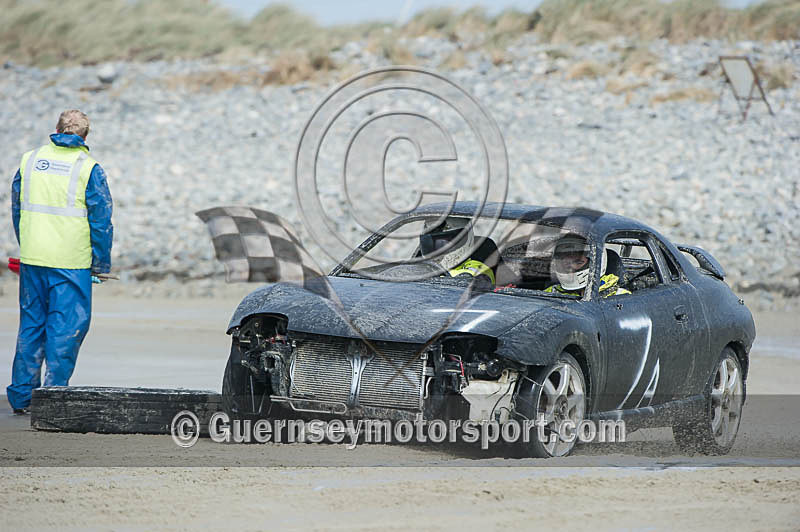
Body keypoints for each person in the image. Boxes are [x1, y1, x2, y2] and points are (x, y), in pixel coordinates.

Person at [7, 110, 113, 414]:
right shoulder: (88, 168)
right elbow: (102, 222)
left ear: (56, 129)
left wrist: (28, 243)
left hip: (33, 258)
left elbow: (18, 210)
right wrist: (100, 264)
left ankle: (22, 397)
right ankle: (53, 395)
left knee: (31, 325)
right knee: (66, 329)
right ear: (85, 136)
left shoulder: (30, 160)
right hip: (70, 262)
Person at [545, 234, 629, 297]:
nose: (569, 266)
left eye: (578, 262)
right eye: (565, 262)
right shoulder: (551, 292)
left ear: (596, 261)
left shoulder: (620, 297)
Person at [419, 217, 496, 286]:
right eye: (428, 245)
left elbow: (471, 282)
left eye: (442, 244)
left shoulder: (478, 269)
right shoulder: (426, 267)